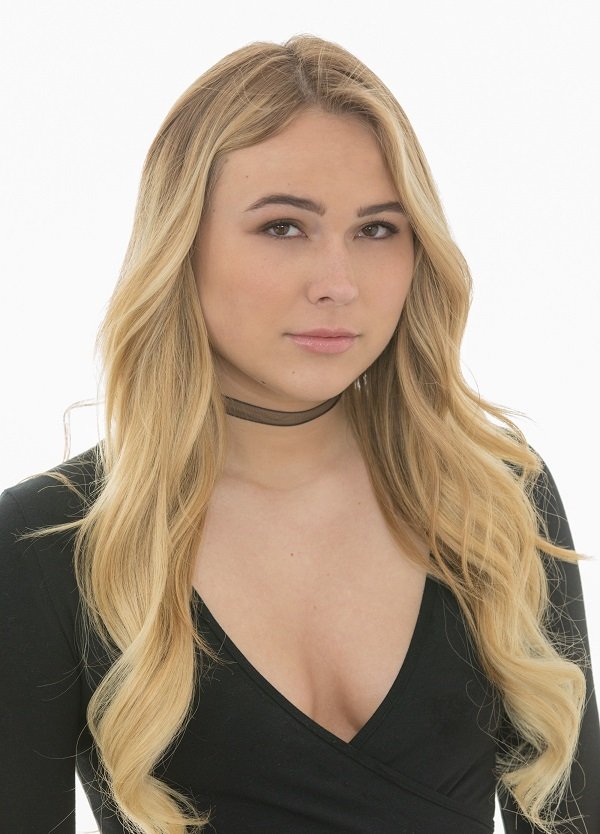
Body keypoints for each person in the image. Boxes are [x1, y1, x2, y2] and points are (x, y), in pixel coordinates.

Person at [0, 34, 598, 834]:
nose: (338, 284)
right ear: (182, 243)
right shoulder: (45, 545)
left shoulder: (496, 499)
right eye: (284, 227)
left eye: (377, 230)